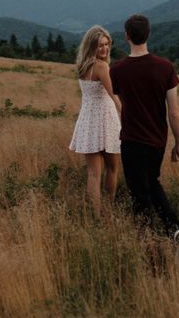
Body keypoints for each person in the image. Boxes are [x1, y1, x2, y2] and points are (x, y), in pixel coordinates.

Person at [110, 14, 179, 241]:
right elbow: (174, 112)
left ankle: (145, 240)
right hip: (157, 141)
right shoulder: (165, 67)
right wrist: (178, 143)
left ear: (126, 36)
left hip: (132, 140)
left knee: (139, 192)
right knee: (152, 182)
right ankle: (174, 229)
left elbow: (119, 101)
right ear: (149, 34)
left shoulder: (118, 70)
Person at [69, 25, 122, 218]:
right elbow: (114, 95)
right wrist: (126, 115)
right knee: (113, 170)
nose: (105, 49)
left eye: (107, 45)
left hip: (88, 122)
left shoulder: (83, 66)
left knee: (93, 174)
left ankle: (96, 217)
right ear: (91, 46)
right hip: (106, 121)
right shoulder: (102, 66)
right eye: (100, 45)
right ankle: (107, 212)